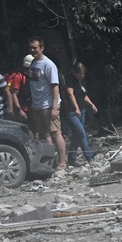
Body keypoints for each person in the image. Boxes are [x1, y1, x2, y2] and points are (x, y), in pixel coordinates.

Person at [27, 37, 68, 169]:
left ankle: (62, 162)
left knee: (56, 132)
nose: (33, 50)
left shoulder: (48, 64)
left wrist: (54, 107)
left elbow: (55, 86)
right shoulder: (33, 63)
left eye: (35, 48)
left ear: (42, 48)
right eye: (31, 48)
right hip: (37, 104)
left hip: (49, 104)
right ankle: (51, 160)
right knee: (44, 134)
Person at [61, 61, 97, 165]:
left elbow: (83, 95)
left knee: (77, 135)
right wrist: (76, 107)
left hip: (82, 110)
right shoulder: (70, 79)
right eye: (81, 73)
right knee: (82, 134)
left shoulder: (80, 81)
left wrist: (91, 104)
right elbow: (70, 94)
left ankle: (72, 158)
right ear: (75, 72)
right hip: (72, 111)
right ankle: (89, 158)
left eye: (83, 74)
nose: (82, 75)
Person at [5, 55, 33, 121]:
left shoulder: (31, 77)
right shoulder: (18, 77)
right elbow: (14, 94)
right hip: (23, 109)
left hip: (32, 108)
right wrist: (19, 110)